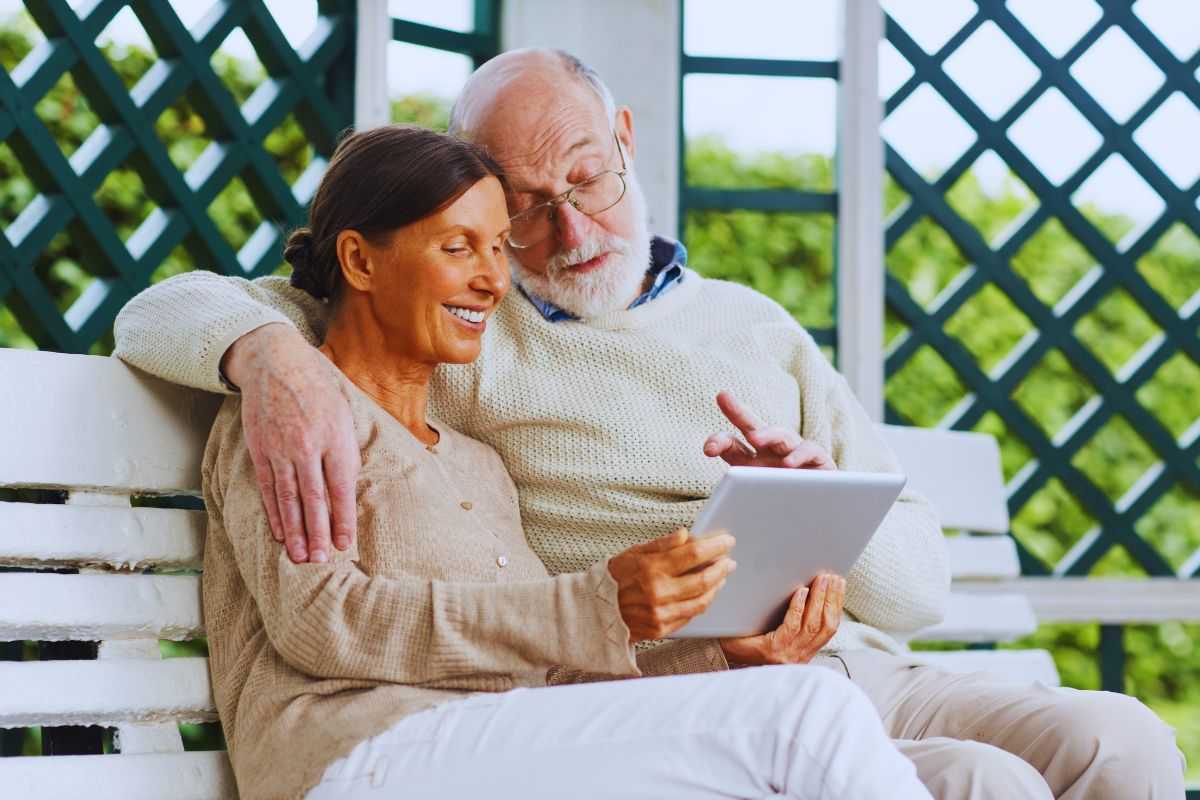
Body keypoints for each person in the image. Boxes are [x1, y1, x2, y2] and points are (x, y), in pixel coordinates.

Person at [119, 50, 1184, 799]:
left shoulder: (757, 326)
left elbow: (918, 592)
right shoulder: (454, 328)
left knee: (1122, 738)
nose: (567, 228)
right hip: (682, 684)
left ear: (625, 138)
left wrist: (817, 502)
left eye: (585, 175)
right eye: (522, 207)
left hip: (852, 662)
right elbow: (174, 307)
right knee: (984, 784)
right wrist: (264, 355)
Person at [201, 123, 930, 800]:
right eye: (459, 248)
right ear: (360, 259)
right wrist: (592, 602)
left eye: (497, 248)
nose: (492, 280)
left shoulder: (479, 463)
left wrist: (728, 657)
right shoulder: (286, 419)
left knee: (788, 734)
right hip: (353, 757)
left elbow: (552, 672)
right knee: (806, 715)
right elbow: (320, 619)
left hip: (495, 750)